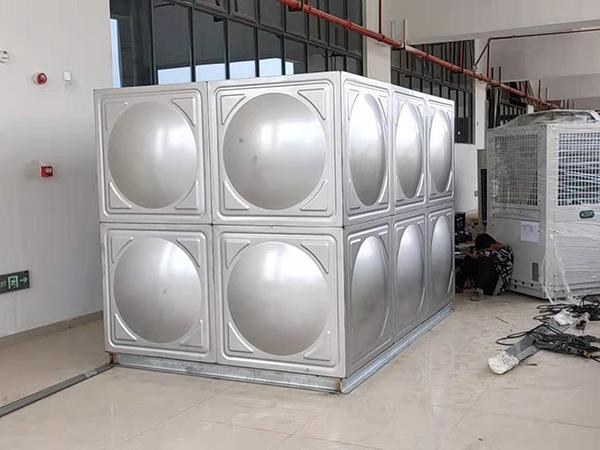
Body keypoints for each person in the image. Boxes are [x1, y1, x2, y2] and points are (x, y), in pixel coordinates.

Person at [455, 233, 514, 300]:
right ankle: (459, 285)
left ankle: (479, 290)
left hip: (495, 288)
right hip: (487, 279)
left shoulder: (505, 252)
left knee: (484, 260)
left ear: (491, 247)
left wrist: (472, 252)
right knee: (469, 259)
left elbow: (481, 253)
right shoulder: (492, 250)